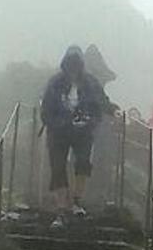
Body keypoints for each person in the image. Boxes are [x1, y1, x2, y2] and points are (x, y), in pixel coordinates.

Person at [40, 45, 110, 226]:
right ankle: (62, 207)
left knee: (83, 163)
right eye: (70, 63)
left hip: (83, 130)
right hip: (58, 131)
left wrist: (102, 115)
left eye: (76, 63)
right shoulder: (55, 83)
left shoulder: (91, 83)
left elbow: (101, 101)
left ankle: (76, 201)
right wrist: (57, 123)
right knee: (57, 166)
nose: (73, 67)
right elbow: (46, 109)